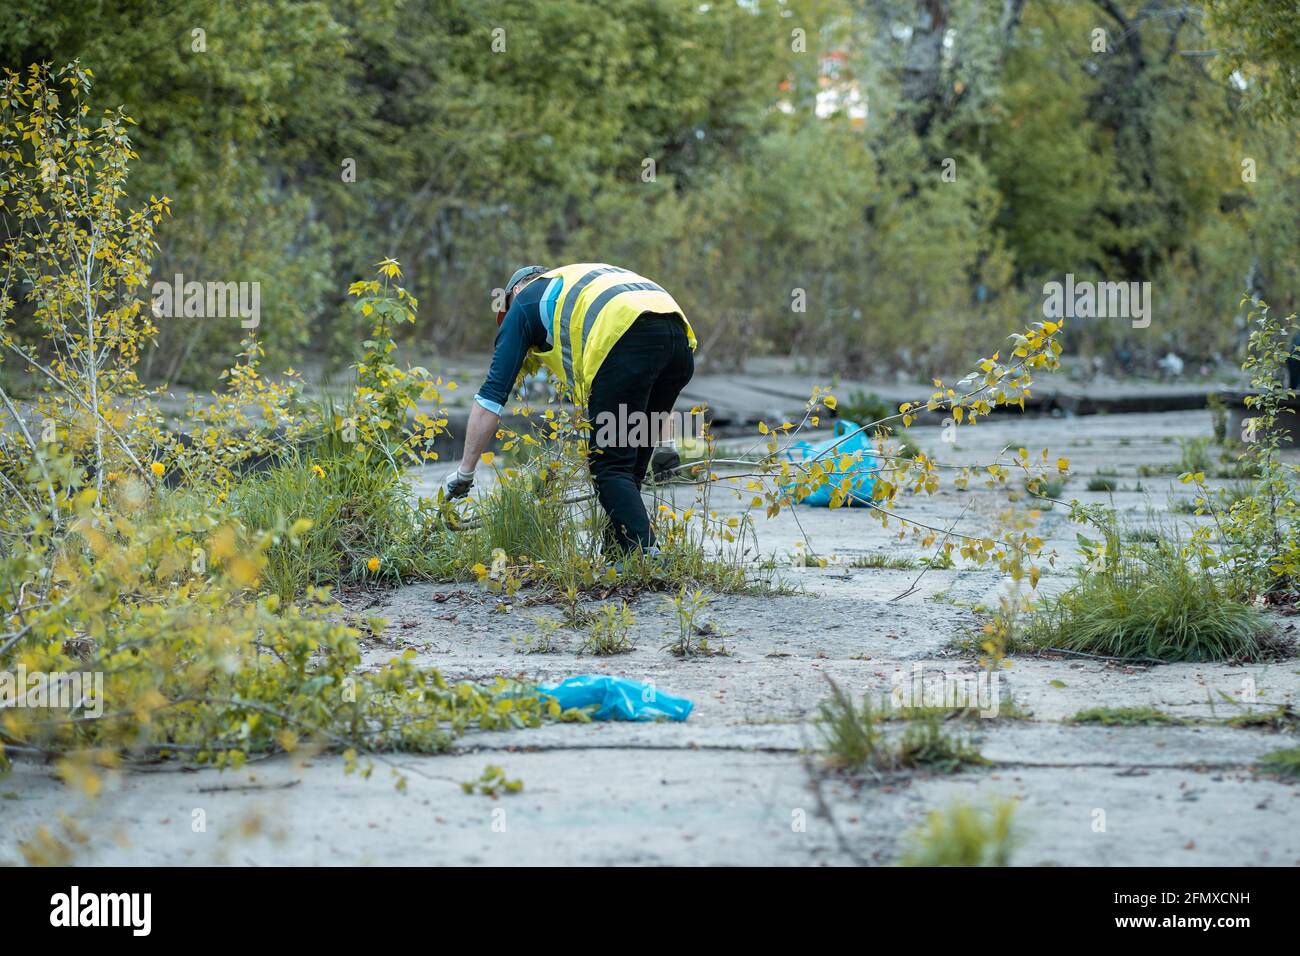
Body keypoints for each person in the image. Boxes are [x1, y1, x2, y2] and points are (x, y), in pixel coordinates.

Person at [443, 263, 696, 556]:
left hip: (625, 338)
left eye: (506, 312)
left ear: (514, 291)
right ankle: (618, 553)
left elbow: (490, 398)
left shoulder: (523, 305)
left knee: (609, 465)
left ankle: (647, 555)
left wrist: (464, 473)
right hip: (677, 338)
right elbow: (650, 350)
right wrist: (665, 444)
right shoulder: (573, 286)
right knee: (630, 466)